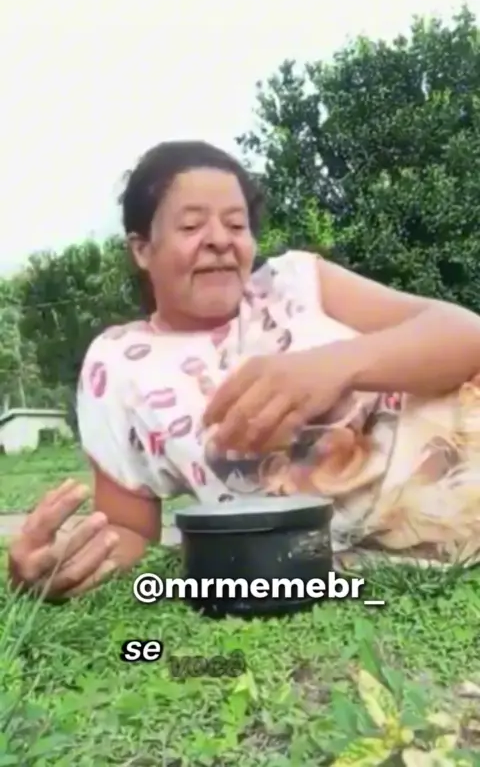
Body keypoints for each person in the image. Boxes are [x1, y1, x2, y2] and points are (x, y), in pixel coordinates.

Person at [8, 140, 480, 601]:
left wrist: (332, 367)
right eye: (191, 225)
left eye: (236, 224)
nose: (220, 239)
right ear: (142, 249)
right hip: (400, 547)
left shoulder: (296, 283)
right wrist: (64, 563)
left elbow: (466, 335)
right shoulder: (119, 366)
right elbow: (127, 527)